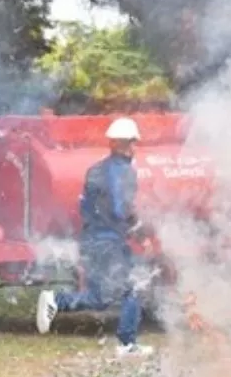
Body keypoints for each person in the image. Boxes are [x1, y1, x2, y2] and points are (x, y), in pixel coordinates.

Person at [35, 117, 152, 358]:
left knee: (99, 299)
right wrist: (141, 233)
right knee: (133, 286)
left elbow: (87, 207)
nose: (133, 148)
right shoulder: (125, 172)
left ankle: (56, 300)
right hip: (110, 242)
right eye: (132, 143)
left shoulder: (95, 169)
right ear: (125, 144)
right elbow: (122, 210)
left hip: (90, 239)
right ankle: (127, 344)